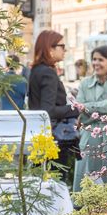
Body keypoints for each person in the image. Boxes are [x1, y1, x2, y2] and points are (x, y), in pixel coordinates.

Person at [72, 45, 107, 192]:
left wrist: (89, 108)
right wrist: (105, 108)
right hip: (88, 140)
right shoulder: (85, 83)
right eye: (94, 59)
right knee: (84, 185)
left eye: (100, 59)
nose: (96, 63)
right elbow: (79, 110)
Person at [29, 30, 80, 182]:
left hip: (39, 136)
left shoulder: (36, 70)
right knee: (56, 183)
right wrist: (76, 109)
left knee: (40, 182)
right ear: (50, 49)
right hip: (53, 138)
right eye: (62, 46)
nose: (65, 50)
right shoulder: (48, 73)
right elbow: (48, 110)